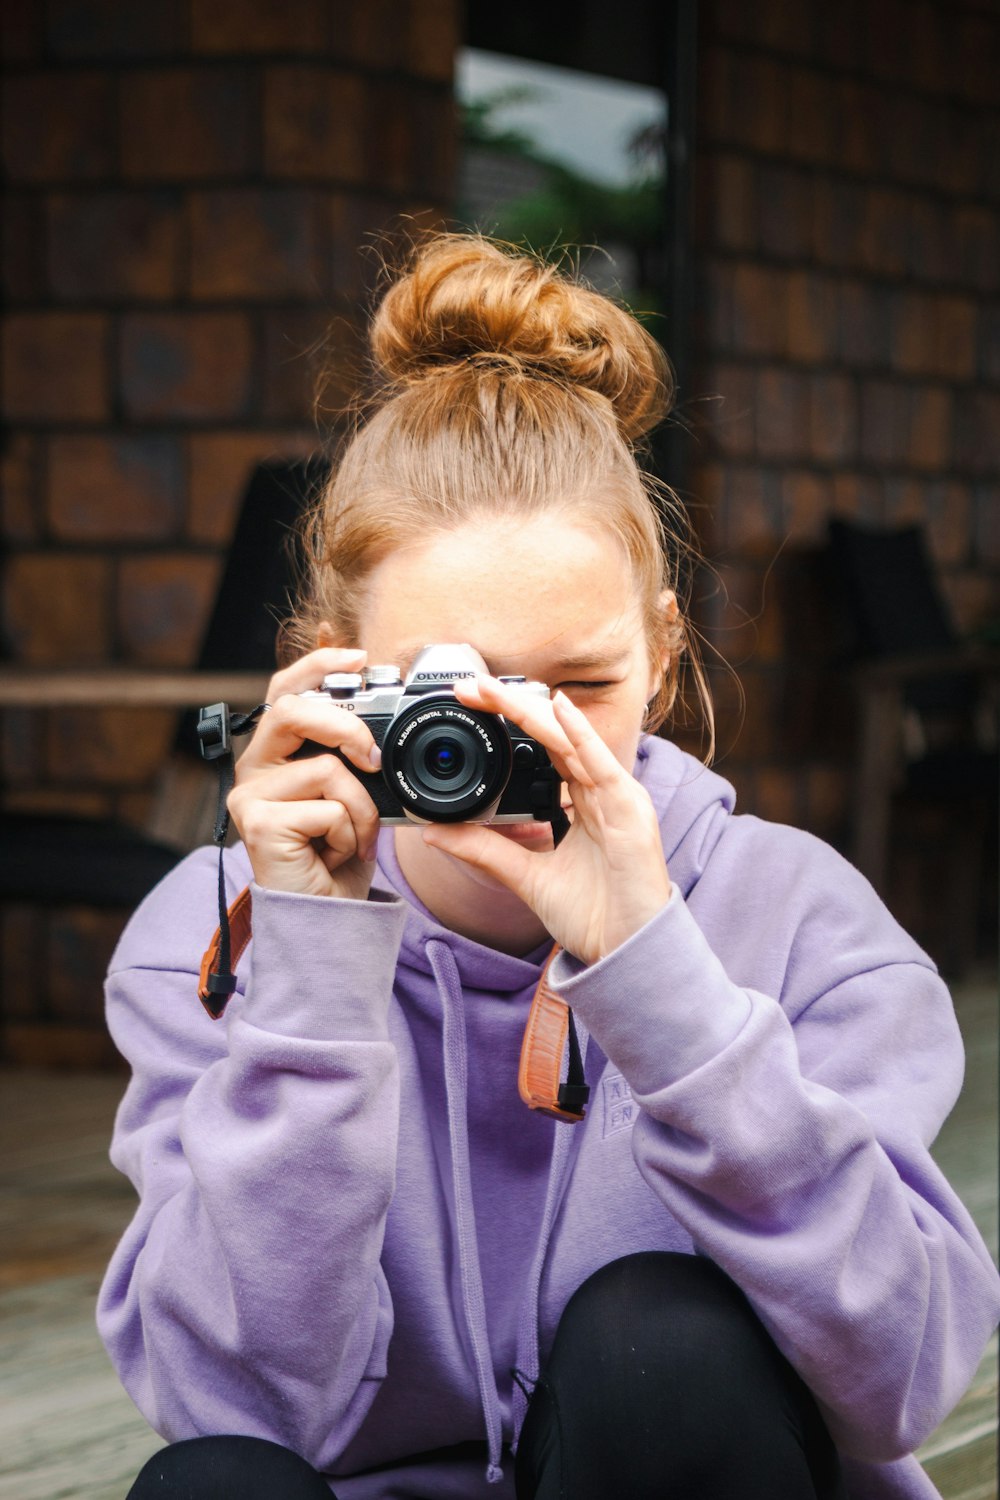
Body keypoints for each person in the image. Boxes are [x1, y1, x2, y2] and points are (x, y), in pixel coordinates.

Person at [99, 234, 999, 1500]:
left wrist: (659, 980)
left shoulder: (793, 913)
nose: (518, 739)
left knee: (663, 1345)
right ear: (330, 666)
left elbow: (901, 1378)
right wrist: (311, 967)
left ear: (666, 651)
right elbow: (229, 1413)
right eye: (455, 693)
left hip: (689, 1458)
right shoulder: (213, 930)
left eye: (577, 686)